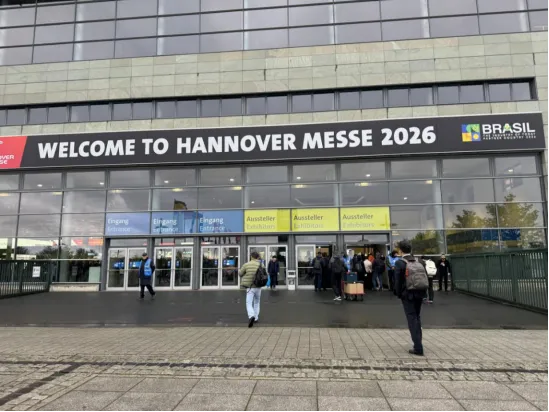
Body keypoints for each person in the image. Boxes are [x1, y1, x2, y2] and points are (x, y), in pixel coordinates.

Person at [394, 240, 429, 356]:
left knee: (412, 319)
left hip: (408, 294)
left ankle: (418, 347)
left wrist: (398, 293)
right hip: (420, 292)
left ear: (401, 250)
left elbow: (398, 281)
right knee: (417, 317)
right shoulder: (419, 261)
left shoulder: (400, 263)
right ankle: (418, 342)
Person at [239, 251, 263, 328]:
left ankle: (251, 316)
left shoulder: (246, 264)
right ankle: (256, 318)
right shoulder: (261, 264)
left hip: (250, 287)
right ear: (257, 257)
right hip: (258, 286)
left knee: (249, 302)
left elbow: (240, 274)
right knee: (257, 302)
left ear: (251, 257)